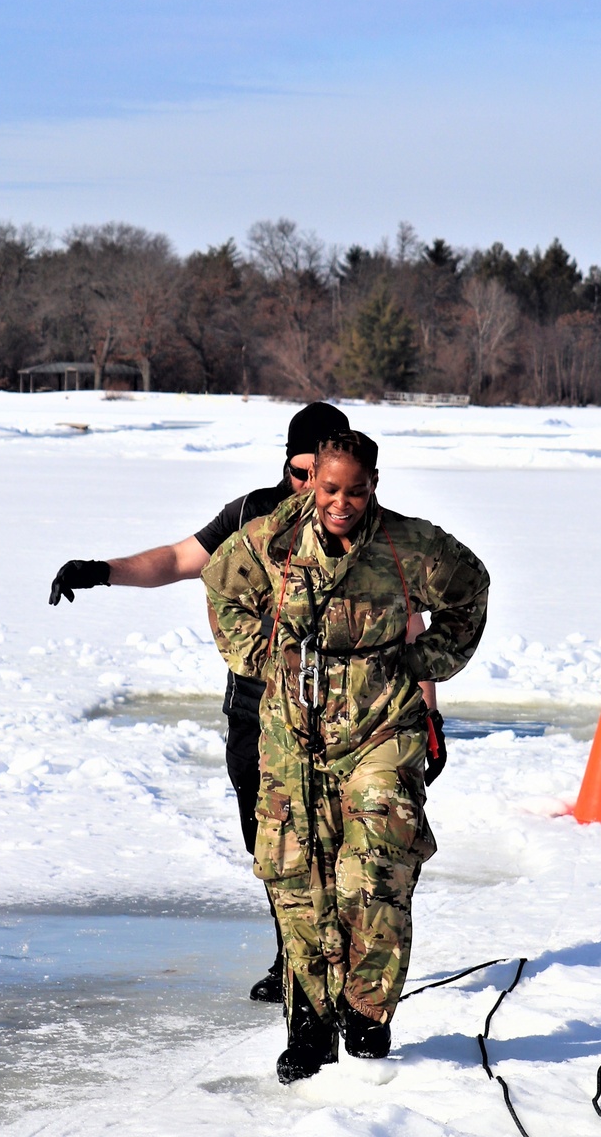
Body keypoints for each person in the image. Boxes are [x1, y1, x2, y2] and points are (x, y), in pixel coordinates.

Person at [48, 404, 447, 1004]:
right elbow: (183, 561)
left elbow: (411, 625)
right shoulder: (254, 517)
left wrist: (428, 712)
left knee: (346, 844)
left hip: (351, 716)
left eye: (327, 475)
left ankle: (343, 975)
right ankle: (294, 957)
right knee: (274, 844)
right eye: (300, 472)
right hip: (260, 710)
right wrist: (103, 571)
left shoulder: (368, 530)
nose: (316, 489)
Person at [201, 428, 489, 1082]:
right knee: (298, 874)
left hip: (380, 721)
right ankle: (308, 1021)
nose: (340, 502)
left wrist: (425, 661)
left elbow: (470, 588)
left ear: (373, 486)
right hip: (293, 726)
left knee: (378, 860)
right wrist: (261, 659)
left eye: (354, 491)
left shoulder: (408, 545)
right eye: (329, 488)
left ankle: (366, 1009)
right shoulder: (273, 539)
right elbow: (221, 585)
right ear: (314, 482)